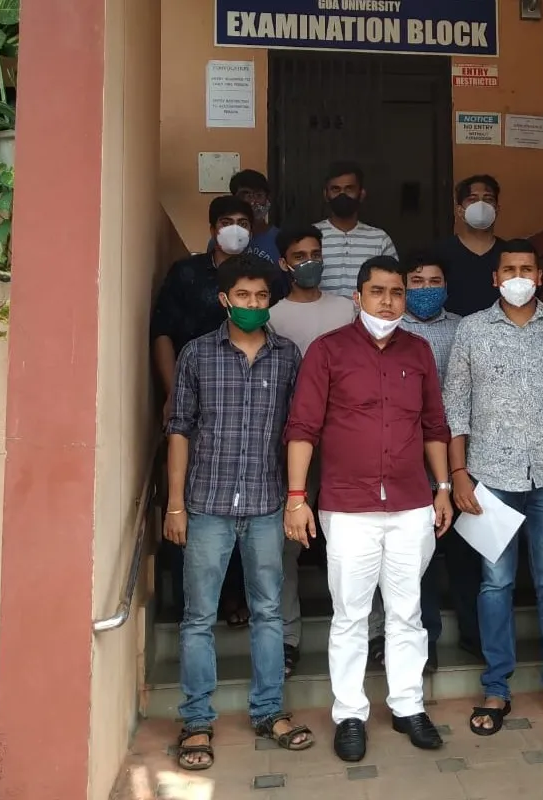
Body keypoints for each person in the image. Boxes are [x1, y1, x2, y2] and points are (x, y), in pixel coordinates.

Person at [284, 256, 452, 763]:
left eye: (397, 292)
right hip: (348, 507)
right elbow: (302, 428)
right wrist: (297, 497)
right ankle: (350, 714)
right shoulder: (327, 350)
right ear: (357, 297)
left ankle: (408, 706)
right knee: (351, 615)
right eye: (377, 291)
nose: (388, 301)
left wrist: (443, 487)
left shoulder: (419, 351)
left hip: (410, 504)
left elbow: (434, 426)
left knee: (407, 613)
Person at [164, 254, 313, 771]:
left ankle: (269, 711)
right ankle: (196, 720)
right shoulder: (196, 354)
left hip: (267, 504)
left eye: (261, 296)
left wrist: (297, 498)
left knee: (268, 612)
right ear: (224, 299)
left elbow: (299, 432)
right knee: (198, 617)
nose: (253, 304)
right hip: (206, 504)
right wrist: (175, 504)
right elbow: (179, 429)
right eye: (243, 296)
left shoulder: (288, 356)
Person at [442, 238, 543, 738]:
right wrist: (458, 474)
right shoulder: (471, 330)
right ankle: (496, 687)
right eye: (510, 270)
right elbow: (456, 408)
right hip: (489, 478)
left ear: (540, 276)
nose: (519, 277)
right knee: (495, 584)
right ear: (495, 278)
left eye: (527, 268)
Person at [152, 195, 266, 628]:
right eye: (227, 221)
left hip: (244, 404)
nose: (235, 228)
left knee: (243, 501)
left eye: (243, 222)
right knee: (192, 499)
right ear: (213, 227)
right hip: (194, 399)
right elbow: (163, 332)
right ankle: (195, 600)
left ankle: (235, 595)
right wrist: (171, 392)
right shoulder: (187, 273)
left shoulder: (259, 274)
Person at [267, 225, 357, 677]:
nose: (310, 262)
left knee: (356, 540)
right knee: (288, 544)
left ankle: (370, 632)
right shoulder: (272, 314)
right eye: (299, 255)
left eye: (315, 253)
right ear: (284, 263)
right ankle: (287, 638)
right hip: (293, 441)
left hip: (346, 440)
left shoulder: (346, 309)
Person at [391, 250, 481, 672]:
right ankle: (423, 643)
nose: (425, 289)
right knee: (418, 560)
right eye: (417, 282)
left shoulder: (465, 328)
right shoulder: (391, 329)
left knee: (466, 554)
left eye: (434, 281)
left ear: (446, 285)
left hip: (461, 457)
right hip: (410, 460)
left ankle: (474, 634)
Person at [315, 161, 397, 297]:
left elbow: (393, 285)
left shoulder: (380, 239)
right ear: (326, 194)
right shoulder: (311, 237)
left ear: (361, 193)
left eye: (349, 189)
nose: (342, 195)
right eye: (335, 189)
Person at [436, 175, 504, 317]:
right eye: (472, 200)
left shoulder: (508, 254)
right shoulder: (440, 253)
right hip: (453, 328)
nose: (481, 205)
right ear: (460, 211)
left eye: (488, 199)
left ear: (497, 209)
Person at [206, 169, 282, 265]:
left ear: (268, 200)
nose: (252, 202)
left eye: (259, 195)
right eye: (245, 195)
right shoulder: (220, 239)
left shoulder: (280, 240)